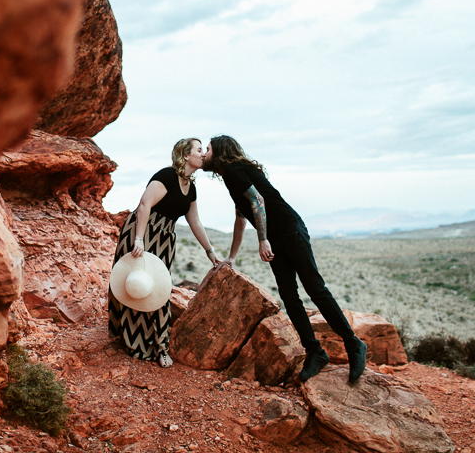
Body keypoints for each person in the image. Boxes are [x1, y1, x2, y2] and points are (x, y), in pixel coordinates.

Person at [201, 135, 367, 383]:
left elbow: (258, 200)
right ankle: (315, 352)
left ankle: (354, 345)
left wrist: (262, 239)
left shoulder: (235, 170)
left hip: (289, 230)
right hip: (277, 236)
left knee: (315, 288)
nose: (204, 153)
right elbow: (240, 217)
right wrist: (232, 257)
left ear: (221, 152)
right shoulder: (230, 175)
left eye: (208, 149)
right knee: (289, 295)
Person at [108, 138, 220, 367]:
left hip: (165, 238)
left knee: (158, 290)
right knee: (135, 283)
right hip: (143, 231)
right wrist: (138, 238)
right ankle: (129, 337)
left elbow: (195, 222)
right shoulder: (167, 175)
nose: (203, 154)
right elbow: (144, 205)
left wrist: (210, 251)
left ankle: (158, 345)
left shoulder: (191, 187)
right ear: (185, 155)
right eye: (199, 150)